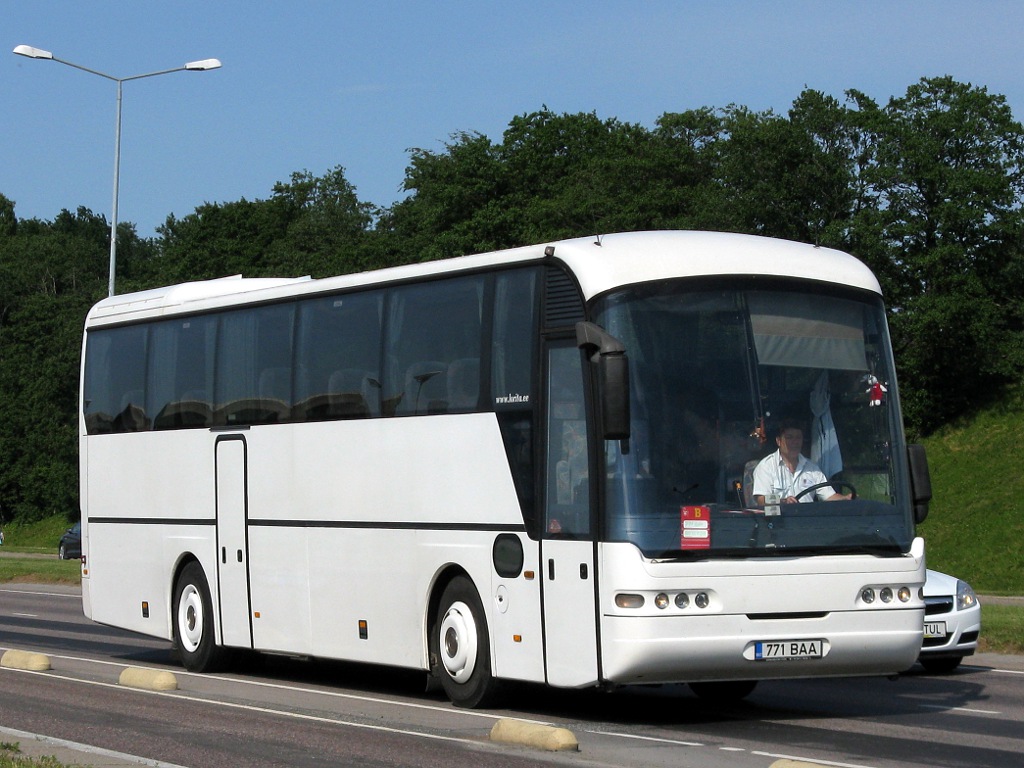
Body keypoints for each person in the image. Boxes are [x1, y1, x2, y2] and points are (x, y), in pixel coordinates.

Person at [752, 419, 851, 505]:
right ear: (779, 441)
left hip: (806, 523)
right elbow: (761, 500)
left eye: (798, 437)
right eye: (789, 438)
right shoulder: (766, 467)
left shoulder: (812, 468)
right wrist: (782, 501)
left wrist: (845, 498)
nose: (795, 442)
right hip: (778, 523)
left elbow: (829, 496)